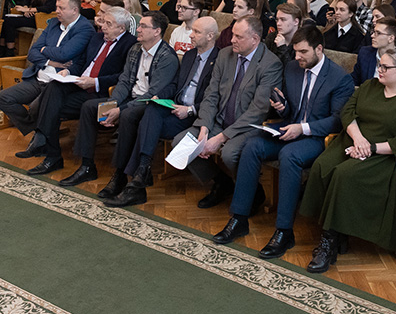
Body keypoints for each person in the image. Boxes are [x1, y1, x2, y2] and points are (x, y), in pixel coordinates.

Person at [211, 25, 354, 257]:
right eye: (295, 51)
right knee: (253, 145)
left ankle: (284, 231)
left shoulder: (340, 78)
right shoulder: (292, 69)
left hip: (317, 137)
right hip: (289, 128)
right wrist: (282, 106)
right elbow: (290, 110)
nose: (297, 57)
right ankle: (239, 218)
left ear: (319, 49)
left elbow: (337, 121)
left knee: (289, 156)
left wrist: (303, 128)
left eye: (303, 52)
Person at [299, 45, 396, 271]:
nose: (379, 69)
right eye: (379, 64)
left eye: (385, 67)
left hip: (382, 154)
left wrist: (370, 148)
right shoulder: (369, 86)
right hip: (352, 141)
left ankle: (328, 240)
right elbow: (347, 112)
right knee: (322, 166)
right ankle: (339, 232)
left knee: (343, 174)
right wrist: (358, 140)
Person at [51, 11, 180, 193]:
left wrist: (120, 110)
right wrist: (112, 105)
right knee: (89, 107)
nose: (139, 29)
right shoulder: (136, 49)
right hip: (129, 98)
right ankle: (87, 166)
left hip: (149, 104)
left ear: (157, 31)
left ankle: (119, 174)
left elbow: (154, 93)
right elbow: (125, 81)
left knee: (127, 114)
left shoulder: (167, 57)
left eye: (143, 26)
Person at [106, 16, 221, 208]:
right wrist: (159, 95)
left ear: (210, 36)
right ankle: (140, 175)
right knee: (150, 110)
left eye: (196, 32)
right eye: (192, 31)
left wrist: (191, 109)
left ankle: (138, 181)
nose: (191, 35)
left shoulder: (219, 60)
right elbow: (176, 85)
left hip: (197, 116)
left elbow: (216, 99)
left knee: (145, 123)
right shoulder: (191, 55)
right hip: (176, 110)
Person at [182, 17, 283, 208]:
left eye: (238, 36)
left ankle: (253, 192)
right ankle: (222, 182)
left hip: (247, 126)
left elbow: (258, 111)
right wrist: (204, 125)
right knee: (183, 142)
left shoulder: (270, 64)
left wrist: (220, 138)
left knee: (229, 153)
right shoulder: (225, 55)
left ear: (255, 38)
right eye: (232, 35)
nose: (231, 40)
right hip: (219, 120)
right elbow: (211, 94)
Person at [0, 0, 97, 156]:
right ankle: (38, 130)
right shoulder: (54, 23)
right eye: (57, 7)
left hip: (57, 84)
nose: (57, 11)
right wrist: (49, 61)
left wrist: (44, 50)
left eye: (61, 8)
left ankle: (41, 138)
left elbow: (64, 53)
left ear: (75, 10)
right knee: (3, 98)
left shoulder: (85, 28)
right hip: (38, 76)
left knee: (36, 107)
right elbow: (32, 52)